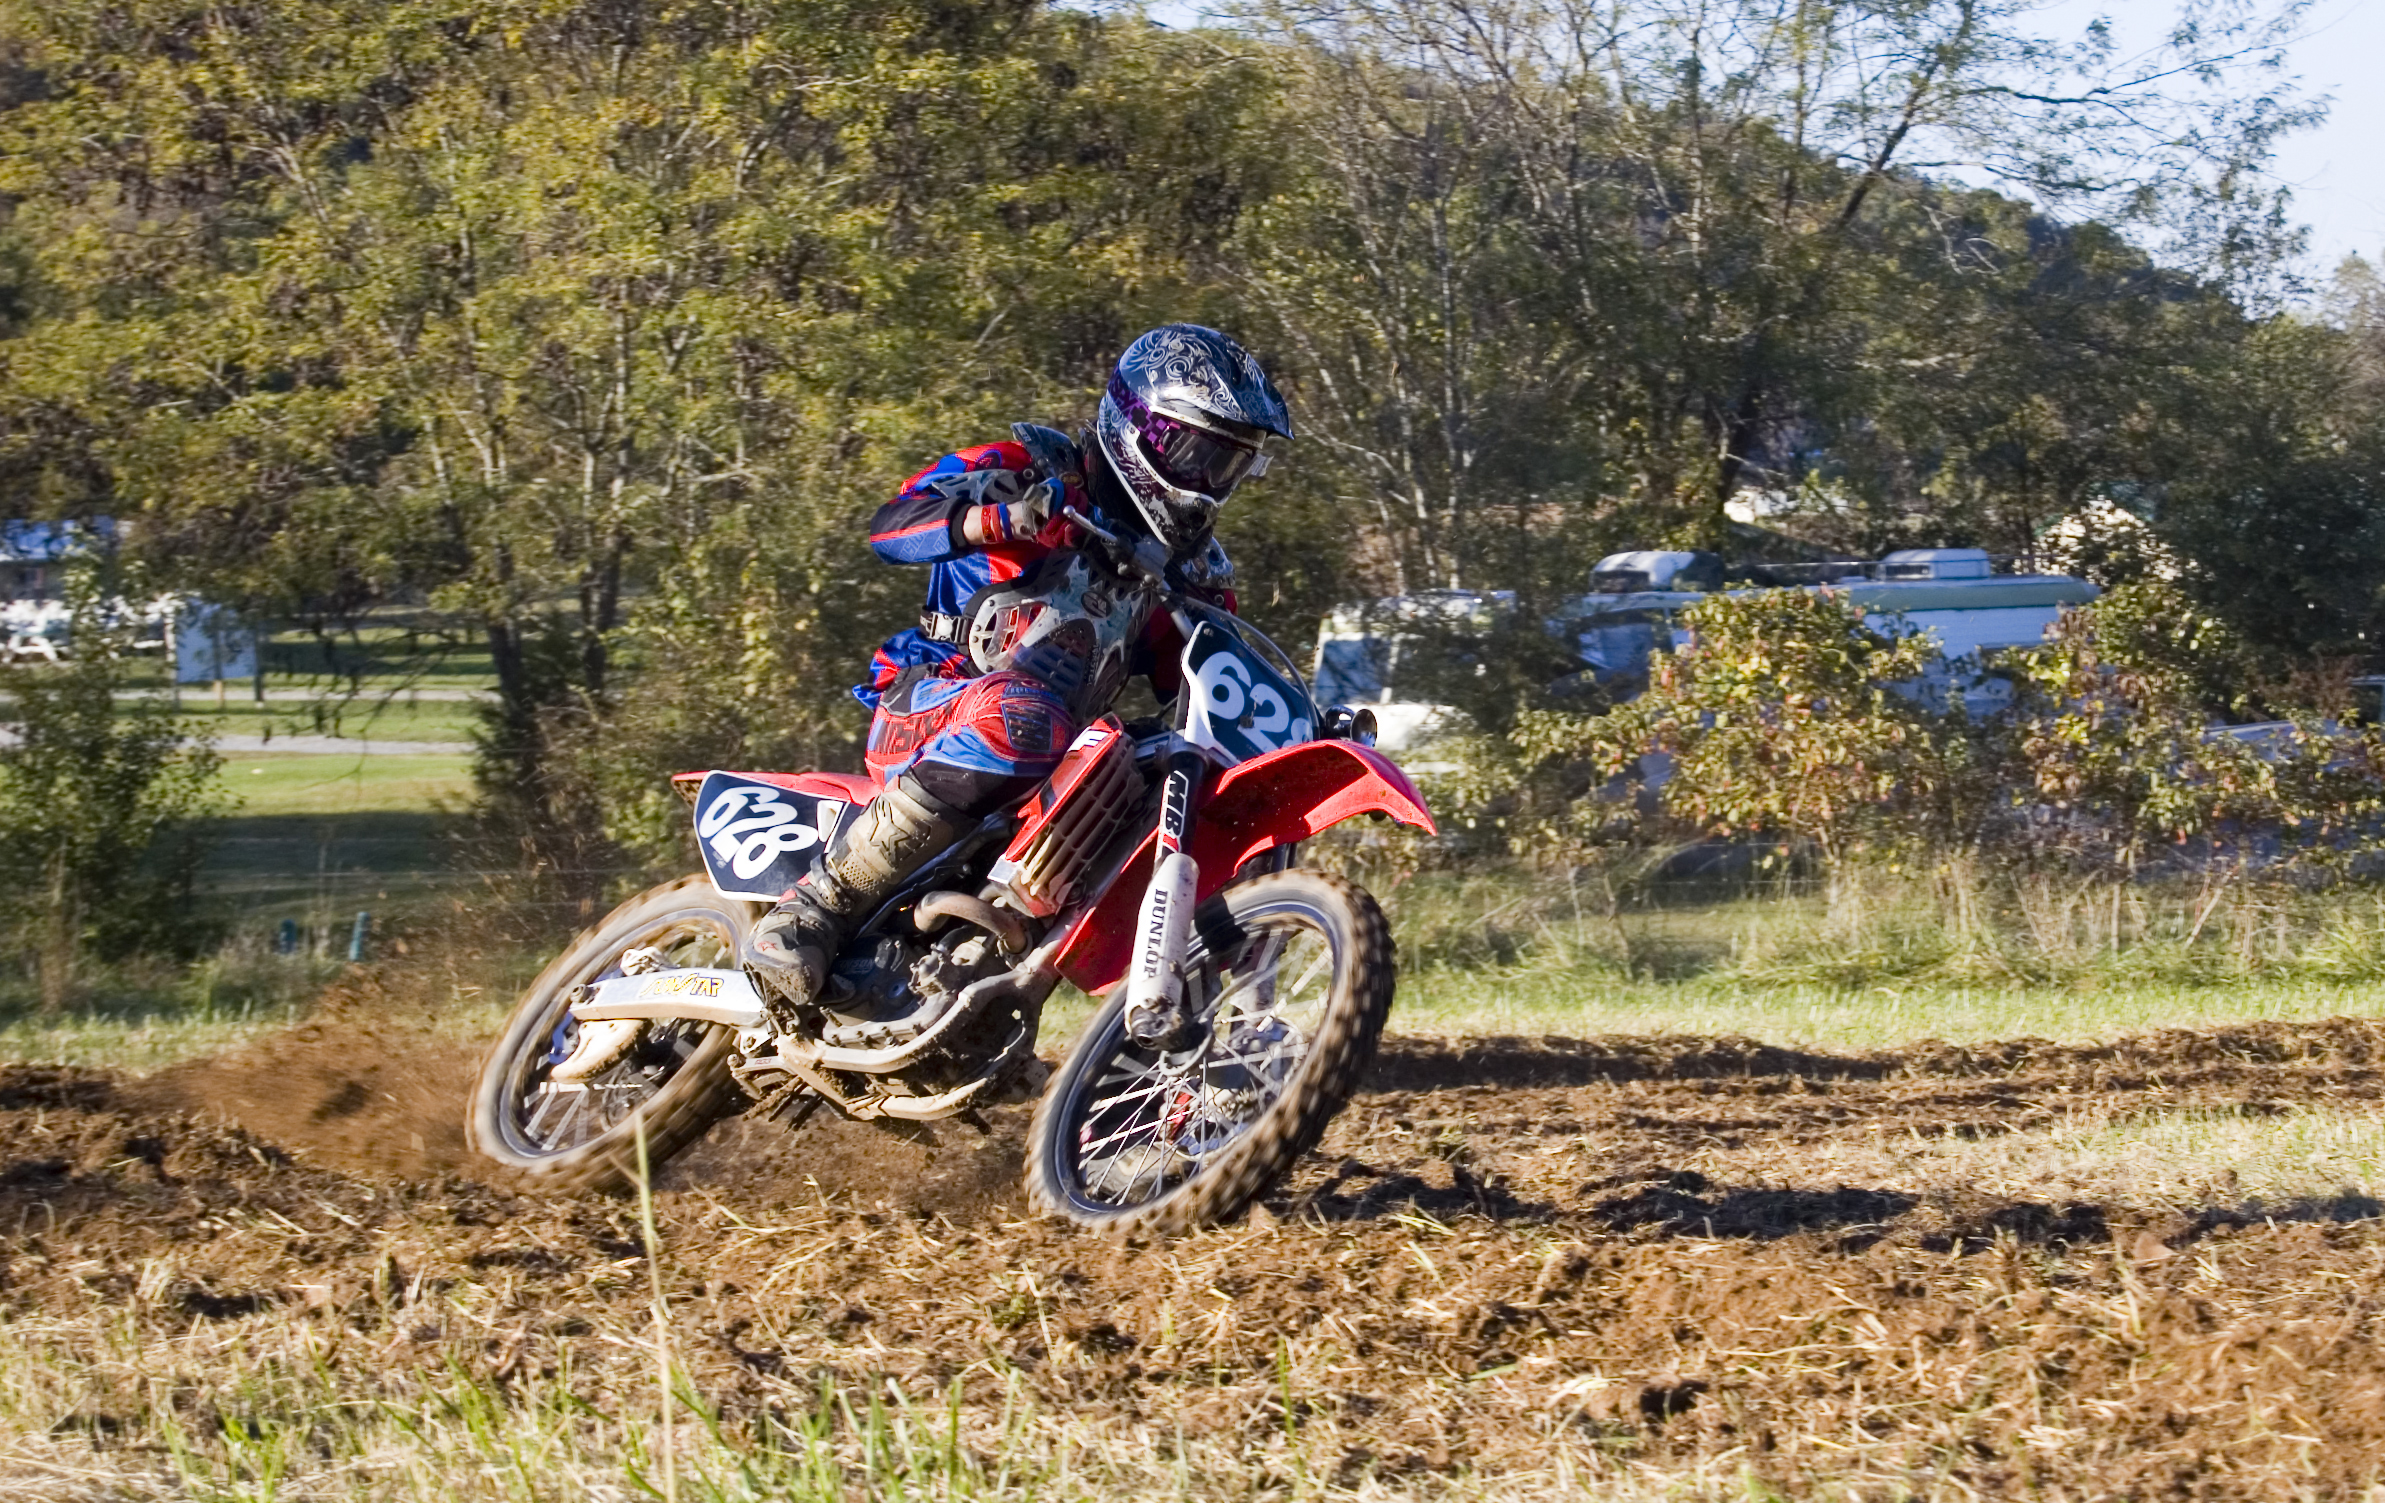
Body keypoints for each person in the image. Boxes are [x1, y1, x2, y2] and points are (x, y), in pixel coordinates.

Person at [744, 324, 1293, 1014]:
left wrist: (1289, 733)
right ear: (1138, 428)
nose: (1206, 483)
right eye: (1194, 452)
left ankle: (1195, 1030)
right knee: (1025, 714)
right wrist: (1003, 519)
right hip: (930, 705)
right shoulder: (1030, 467)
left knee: (1195, 776)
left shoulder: (1190, 570)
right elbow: (889, 527)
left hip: (1055, 760)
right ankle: (814, 909)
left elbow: (1208, 678)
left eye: (1228, 464)